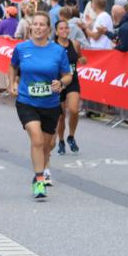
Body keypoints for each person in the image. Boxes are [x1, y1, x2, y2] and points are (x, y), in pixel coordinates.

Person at [8, 11, 72, 200]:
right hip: (27, 101)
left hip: (51, 103)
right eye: (34, 24)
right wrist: (12, 83)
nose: (37, 27)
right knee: (36, 140)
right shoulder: (21, 48)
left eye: (41, 25)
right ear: (31, 27)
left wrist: (61, 83)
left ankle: (43, 166)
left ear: (48, 29)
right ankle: (39, 180)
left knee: (47, 144)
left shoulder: (58, 51)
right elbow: (13, 66)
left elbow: (67, 74)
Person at [53, 18, 84, 155]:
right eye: (61, 28)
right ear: (56, 31)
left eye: (66, 28)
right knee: (60, 116)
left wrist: (82, 60)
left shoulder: (75, 44)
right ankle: (61, 141)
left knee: (74, 110)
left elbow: (80, 58)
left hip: (72, 82)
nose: (64, 30)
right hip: (57, 83)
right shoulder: (52, 46)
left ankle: (71, 136)